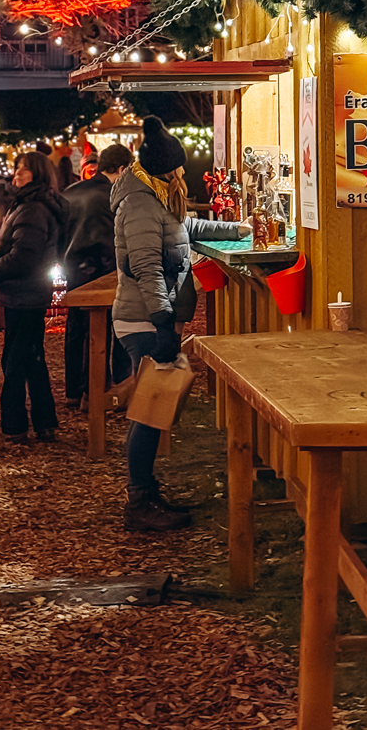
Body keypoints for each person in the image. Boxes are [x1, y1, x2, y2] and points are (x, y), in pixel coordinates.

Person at [113, 115, 250, 531]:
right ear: (167, 170)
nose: (183, 176)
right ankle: (139, 501)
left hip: (151, 316)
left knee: (155, 405)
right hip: (142, 319)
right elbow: (147, 269)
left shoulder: (153, 198)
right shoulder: (139, 204)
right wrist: (163, 324)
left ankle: (145, 491)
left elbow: (185, 228)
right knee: (150, 409)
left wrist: (236, 229)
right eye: (179, 169)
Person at [0, 151, 67, 444]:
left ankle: (15, 424)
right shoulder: (30, 205)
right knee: (32, 358)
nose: (16, 174)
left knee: (16, 360)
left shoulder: (32, 209)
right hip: (26, 293)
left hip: (23, 293)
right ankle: (45, 423)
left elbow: (24, 256)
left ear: (37, 174)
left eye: (22, 169)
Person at [61, 143, 133, 407]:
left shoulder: (70, 193)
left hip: (73, 270)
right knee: (107, 332)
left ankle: (73, 391)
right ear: (123, 168)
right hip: (104, 270)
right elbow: (112, 240)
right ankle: (99, 390)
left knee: (75, 331)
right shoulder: (115, 196)